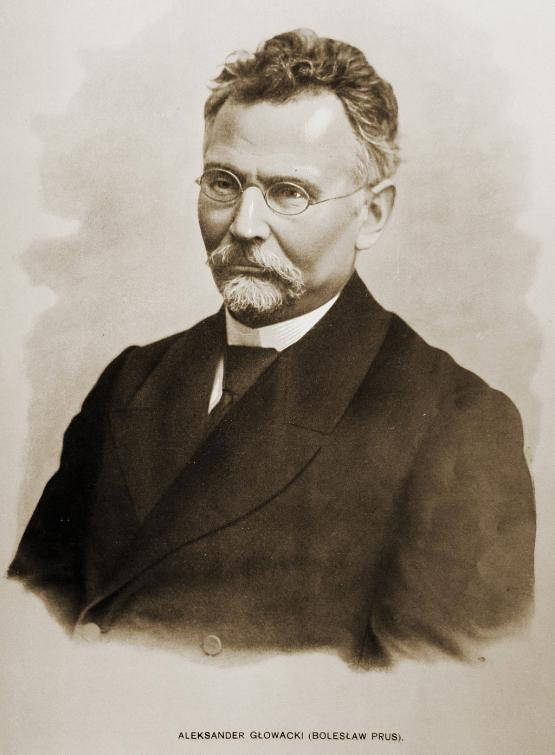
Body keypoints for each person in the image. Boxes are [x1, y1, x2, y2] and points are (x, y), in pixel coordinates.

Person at [8, 29, 535, 667]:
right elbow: (27, 640)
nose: (244, 225)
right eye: (223, 183)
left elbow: (429, 697)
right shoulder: (132, 380)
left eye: (290, 193)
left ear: (372, 215)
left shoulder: (456, 426)